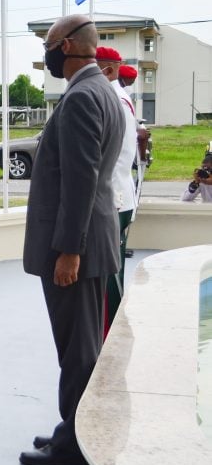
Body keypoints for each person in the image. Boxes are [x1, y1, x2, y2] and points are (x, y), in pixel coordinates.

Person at [20, 15, 124, 465]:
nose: (46, 51)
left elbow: (81, 182)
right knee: (82, 347)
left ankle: (77, 444)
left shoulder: (83, 96)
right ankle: (76, 428)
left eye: (48, 43)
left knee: (78, 351)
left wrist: (69, 250)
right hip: (89, 238)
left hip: (75, 246)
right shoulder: (100, 89)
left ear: (65, 46)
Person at [96, 46, 138, 335]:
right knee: (111, 272)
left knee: (109, 277)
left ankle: (109, 338)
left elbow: (113, 154)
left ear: (108, 69)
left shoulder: (114, 99)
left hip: (113, 198)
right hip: (118, 196)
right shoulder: (117, 97)